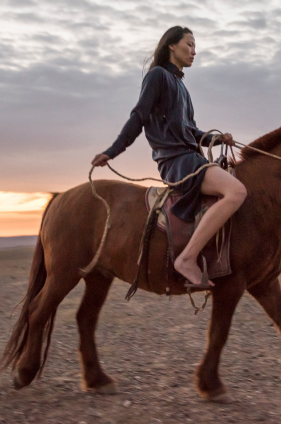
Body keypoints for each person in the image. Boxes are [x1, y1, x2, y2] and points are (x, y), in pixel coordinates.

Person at [91, 26, 247, 288]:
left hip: (191, 158)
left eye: (195, 47)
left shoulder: (181, 87)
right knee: (236, 192)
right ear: (171, 46)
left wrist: (217, 140)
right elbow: (138, 117)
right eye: (189, 45)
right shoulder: (157, 77)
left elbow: (190, 132)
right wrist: (112, 151)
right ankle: (186, 259)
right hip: (178, 163)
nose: (194, 51)